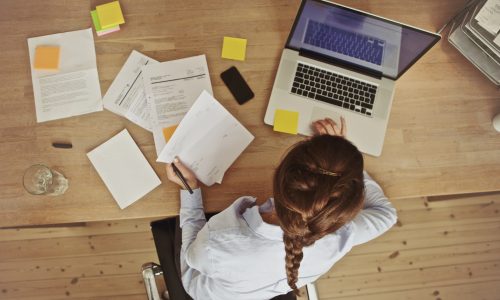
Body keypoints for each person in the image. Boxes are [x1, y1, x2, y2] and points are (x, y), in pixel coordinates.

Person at [166, 118, 397, 300]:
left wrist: (191, 190)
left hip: (203, 290)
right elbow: (387, 215)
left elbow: (191, 259)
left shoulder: (217, 243)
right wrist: (342, 165)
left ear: (280, 174)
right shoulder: (341, 237)